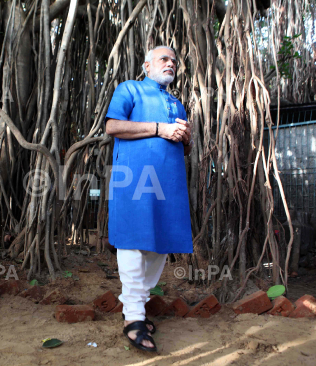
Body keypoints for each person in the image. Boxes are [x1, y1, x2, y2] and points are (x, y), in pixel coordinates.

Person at [105, 46, 194, 352]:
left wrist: (186, 138)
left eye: (174, 61)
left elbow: (182, 147)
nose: (171, 64)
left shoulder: (176, 103)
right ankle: (133, 318)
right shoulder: (129, 89)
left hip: (169, 183)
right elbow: (113, 126)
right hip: (135, 179)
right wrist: (160, 128)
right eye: (164, 59)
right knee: (132, 240)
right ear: (147, 65)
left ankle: (136, 309)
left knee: (160, 244)